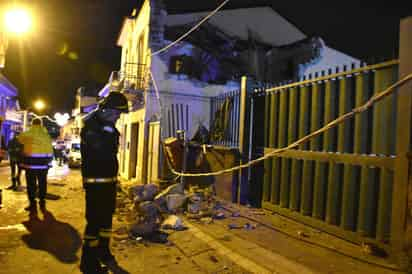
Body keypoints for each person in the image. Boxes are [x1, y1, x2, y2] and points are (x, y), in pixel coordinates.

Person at [80, 92, 129, 274]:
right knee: (94, 225)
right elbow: (102, 150)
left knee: (106, 223)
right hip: (95, 185)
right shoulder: (91, 127)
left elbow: (111, 150)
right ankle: (88, 264)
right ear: (107, 110)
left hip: (108, 183)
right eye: (116, 113)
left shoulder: (108, 126)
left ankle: (103, 252)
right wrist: (108, 132)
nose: (117, 117)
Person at [18, 118, 53, 212]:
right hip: (43, 164)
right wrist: (49, 163)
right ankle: (42, 201)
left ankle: (32, 203)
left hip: (31, 164)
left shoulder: (27, 133)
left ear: (32, 124)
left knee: (31, 184)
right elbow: (50, 150)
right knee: (42, 183)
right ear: (41, 124)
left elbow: (19, 139)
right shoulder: (46, 135)